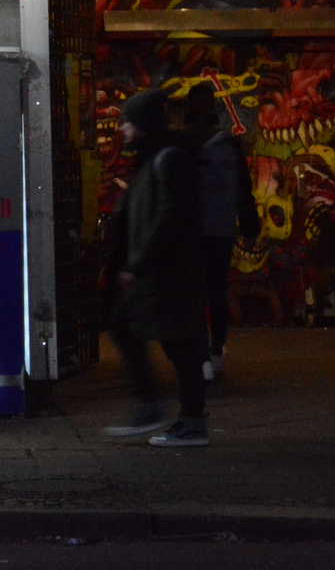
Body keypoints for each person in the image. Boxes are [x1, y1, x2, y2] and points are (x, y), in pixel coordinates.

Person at [100, 88, 210, 447]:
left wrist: (139, 263)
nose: (123, 130)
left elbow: (170, 216)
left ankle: (189, 422)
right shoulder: (154, 156)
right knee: (135, 329)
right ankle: (159, 410)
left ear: (144, 123)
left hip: (167, 272)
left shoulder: (168, 158)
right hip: (156, 271)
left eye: (128, 122)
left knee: (179, 344)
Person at [185, 81, 256, 382]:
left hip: (193, 230)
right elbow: (243, 185)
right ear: (213, 107)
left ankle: (200, 356)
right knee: (217, 290)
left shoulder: (185, 142)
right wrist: (248, 219)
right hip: (222, 227)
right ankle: (217, 351)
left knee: (195, 293)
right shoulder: (229, 143)